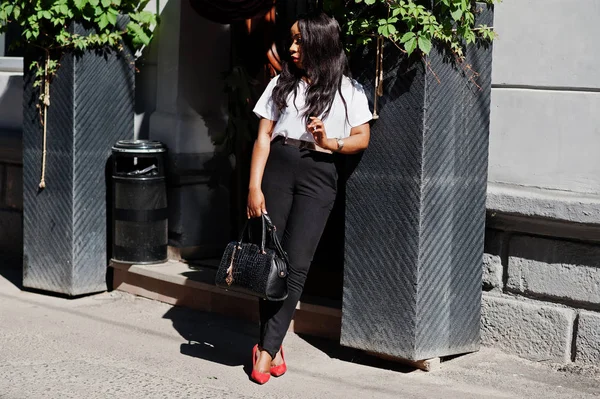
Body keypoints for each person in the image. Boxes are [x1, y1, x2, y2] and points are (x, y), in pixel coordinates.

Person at [247, 12, 372, 384]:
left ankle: (266, 349)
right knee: (269, 258)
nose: (292, 47)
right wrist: (254, 186)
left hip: (320, 173)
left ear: (320, 42)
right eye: (292, 40)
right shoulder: (280, 85)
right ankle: (271, 345)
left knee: (297, 263)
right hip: (279, 168)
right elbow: (263, 137)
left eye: (299, 40)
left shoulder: (348, 89)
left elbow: (361, 137)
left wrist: (328, 141)